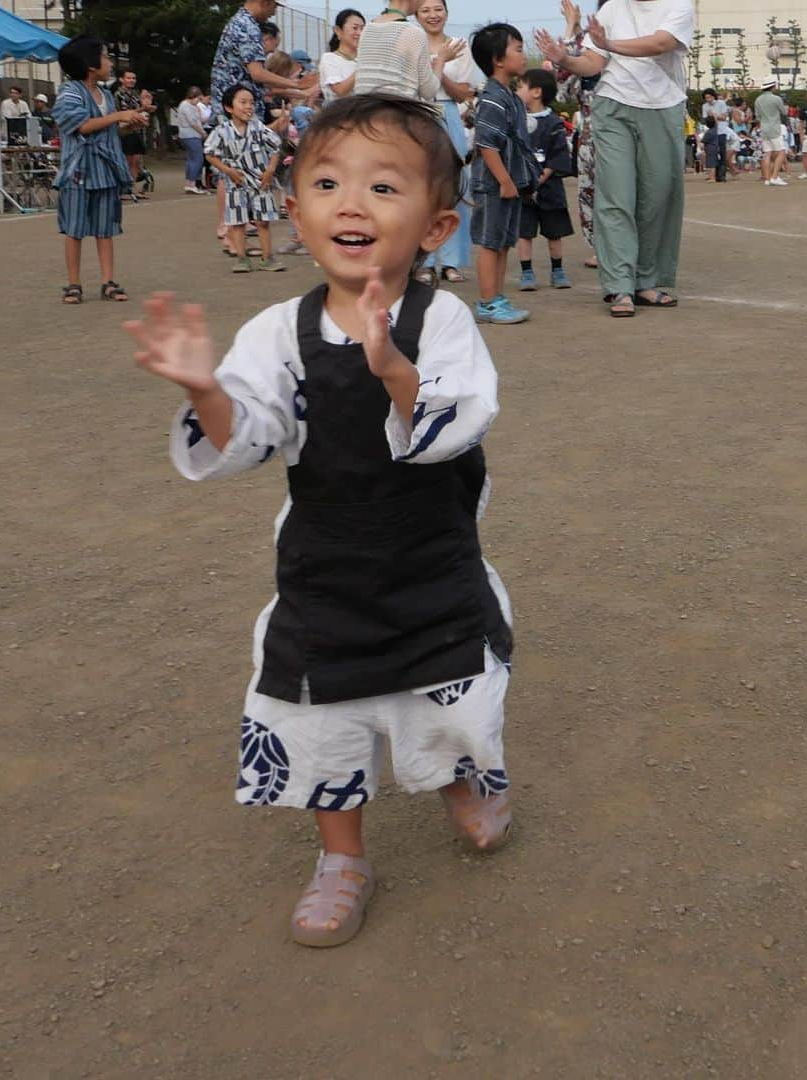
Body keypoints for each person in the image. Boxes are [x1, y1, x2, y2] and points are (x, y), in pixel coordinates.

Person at [125, 93, 514, 949]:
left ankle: (462, 777)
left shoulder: (440, 319)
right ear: (295, 210)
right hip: (325, 573)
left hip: (430, 568)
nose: (351, 203)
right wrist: (205, 391)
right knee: (316, 717)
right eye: (328, 182)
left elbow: (461, 420)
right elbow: (246, 439)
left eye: (384, 187)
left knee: (451, 698)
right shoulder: (277, 330)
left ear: (437, 223)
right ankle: (342, 858)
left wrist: (394, 369)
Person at [536, 0, 696, 319]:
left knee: (658, 196)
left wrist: (610, 44)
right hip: (613, 106)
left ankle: (646, 281)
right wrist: (566, 58)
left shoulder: (679, 5)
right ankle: (620, 284)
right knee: (615, 196)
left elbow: (661, 43)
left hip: (663, 107)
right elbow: (595, 63)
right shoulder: (611, 9)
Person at [210, 0, 315, 253]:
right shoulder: (246, 26)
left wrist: (297, 91)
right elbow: (257, 74)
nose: (275, 10)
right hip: (236, 108)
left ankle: (234, 234)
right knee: (236, 170)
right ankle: (230, 234)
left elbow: (256, 83)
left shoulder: (242, 23)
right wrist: (298, 86)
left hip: (238, 105)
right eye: (274, 5)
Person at [52, 36, 148, 305]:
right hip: (79, 170)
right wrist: (119, 116)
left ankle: (108, 280)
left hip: (105, 170)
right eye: (105, 57)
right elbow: (81, 126)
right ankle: (74, 283)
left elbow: (106, 131)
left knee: (105, 228)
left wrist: (129, 124)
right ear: (90, 64)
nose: (110, 62)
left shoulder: (105, 93)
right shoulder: (69, 92)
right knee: (75, 228)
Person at [470, 22, 534, 324]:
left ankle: (496, 297)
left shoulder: (508, 95)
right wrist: (505, 181)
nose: (524, 55)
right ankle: (487, 302)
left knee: (503, 242)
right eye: (518, 49)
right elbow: (486, 144)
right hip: (496, 185)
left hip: (510, 184)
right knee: (490, 243)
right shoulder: (493, 97)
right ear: (497, 59)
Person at [416, 0, 483, 285]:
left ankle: (452, 262)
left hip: (451, 115)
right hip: (419, 115)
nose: (433, 15)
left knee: (456, 187)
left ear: (446, 12)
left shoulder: (459, 45)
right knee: (422, 190)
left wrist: (438, 68)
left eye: (437, 9)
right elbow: (416, 87)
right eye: (425, 10)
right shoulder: (411, 42)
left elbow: (463, 93)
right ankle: (424, 260)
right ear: (416, 14)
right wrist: (436, 65)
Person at [203, 84, 285, 273]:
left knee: (263, 221)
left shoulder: (258, 128)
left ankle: (267, 258)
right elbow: (209, 153)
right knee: (237, 222)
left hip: (260, 182)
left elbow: (275, 147)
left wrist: (270, 170)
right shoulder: (222, 130)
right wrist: (228, 171)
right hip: (235, 183)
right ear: (229, 107)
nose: (249, 106)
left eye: (251, 103)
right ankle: (242, 258)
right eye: (243, 102)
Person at [555, 0, 608, 270]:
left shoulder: (636, 39)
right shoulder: (588, 42)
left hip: (629, 121)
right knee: (592, 191)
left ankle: (624, 248)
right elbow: (563, 80)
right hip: (592, 129)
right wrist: (572, 26)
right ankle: (602, 247)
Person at [515, 68, 574, 291]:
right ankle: (527, 272)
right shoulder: (517, 120)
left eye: (521, 86)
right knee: (524, 232)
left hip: (549, 188)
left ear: (536, 92)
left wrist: (542, 176)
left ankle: (557, 270)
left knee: (554, 231)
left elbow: (558, 155)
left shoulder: (554, 123)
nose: (517, 90)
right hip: (524, 189)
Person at [354, 0, 463, 101]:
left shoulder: (367, 29)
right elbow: (429, 91)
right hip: (398, 115)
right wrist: (441, 60)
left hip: (364, 113)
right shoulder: (414, 33)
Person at [319, 8, 365, 102]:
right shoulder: (329, 59)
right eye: (355, 28)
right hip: (340, 114)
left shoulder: (362, 58)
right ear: (338, 30)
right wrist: (364, 66)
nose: (360, 33)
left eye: (362, 29)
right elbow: (340, 90)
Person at [754, 78, 787, 186]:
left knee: (767, 153)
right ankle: (775, 176)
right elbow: (784, 111)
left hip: (763, 128)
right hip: (774, 128)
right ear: (773, 86)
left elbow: (757, 116)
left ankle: (767, 179)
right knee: (781, 152)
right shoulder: (776, 98)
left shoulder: (758, 99)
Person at [177, 85, 209, 194]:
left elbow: (200, 119)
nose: (198, 101)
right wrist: (202, 132)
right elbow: (193, 123)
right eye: (198, 98)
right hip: (190, 135)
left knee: (191, 159)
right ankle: (192, 183)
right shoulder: (185, 106)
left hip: (191, 135)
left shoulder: (192, 106)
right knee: (197, 159)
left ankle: (190, 183)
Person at [702, 88, 730, 182]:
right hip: (712, 132)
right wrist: (710, 118)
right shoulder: (704, 106)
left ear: (714, 96)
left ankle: (721, 175)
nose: (708, 99)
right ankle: (713, 175)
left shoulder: (721, 103)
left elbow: (724, 117)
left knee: (722, 153)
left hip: (721, 131)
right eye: (706, 98)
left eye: (709, 97)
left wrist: (715, 115)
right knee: (712, 154)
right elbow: (706, 120)